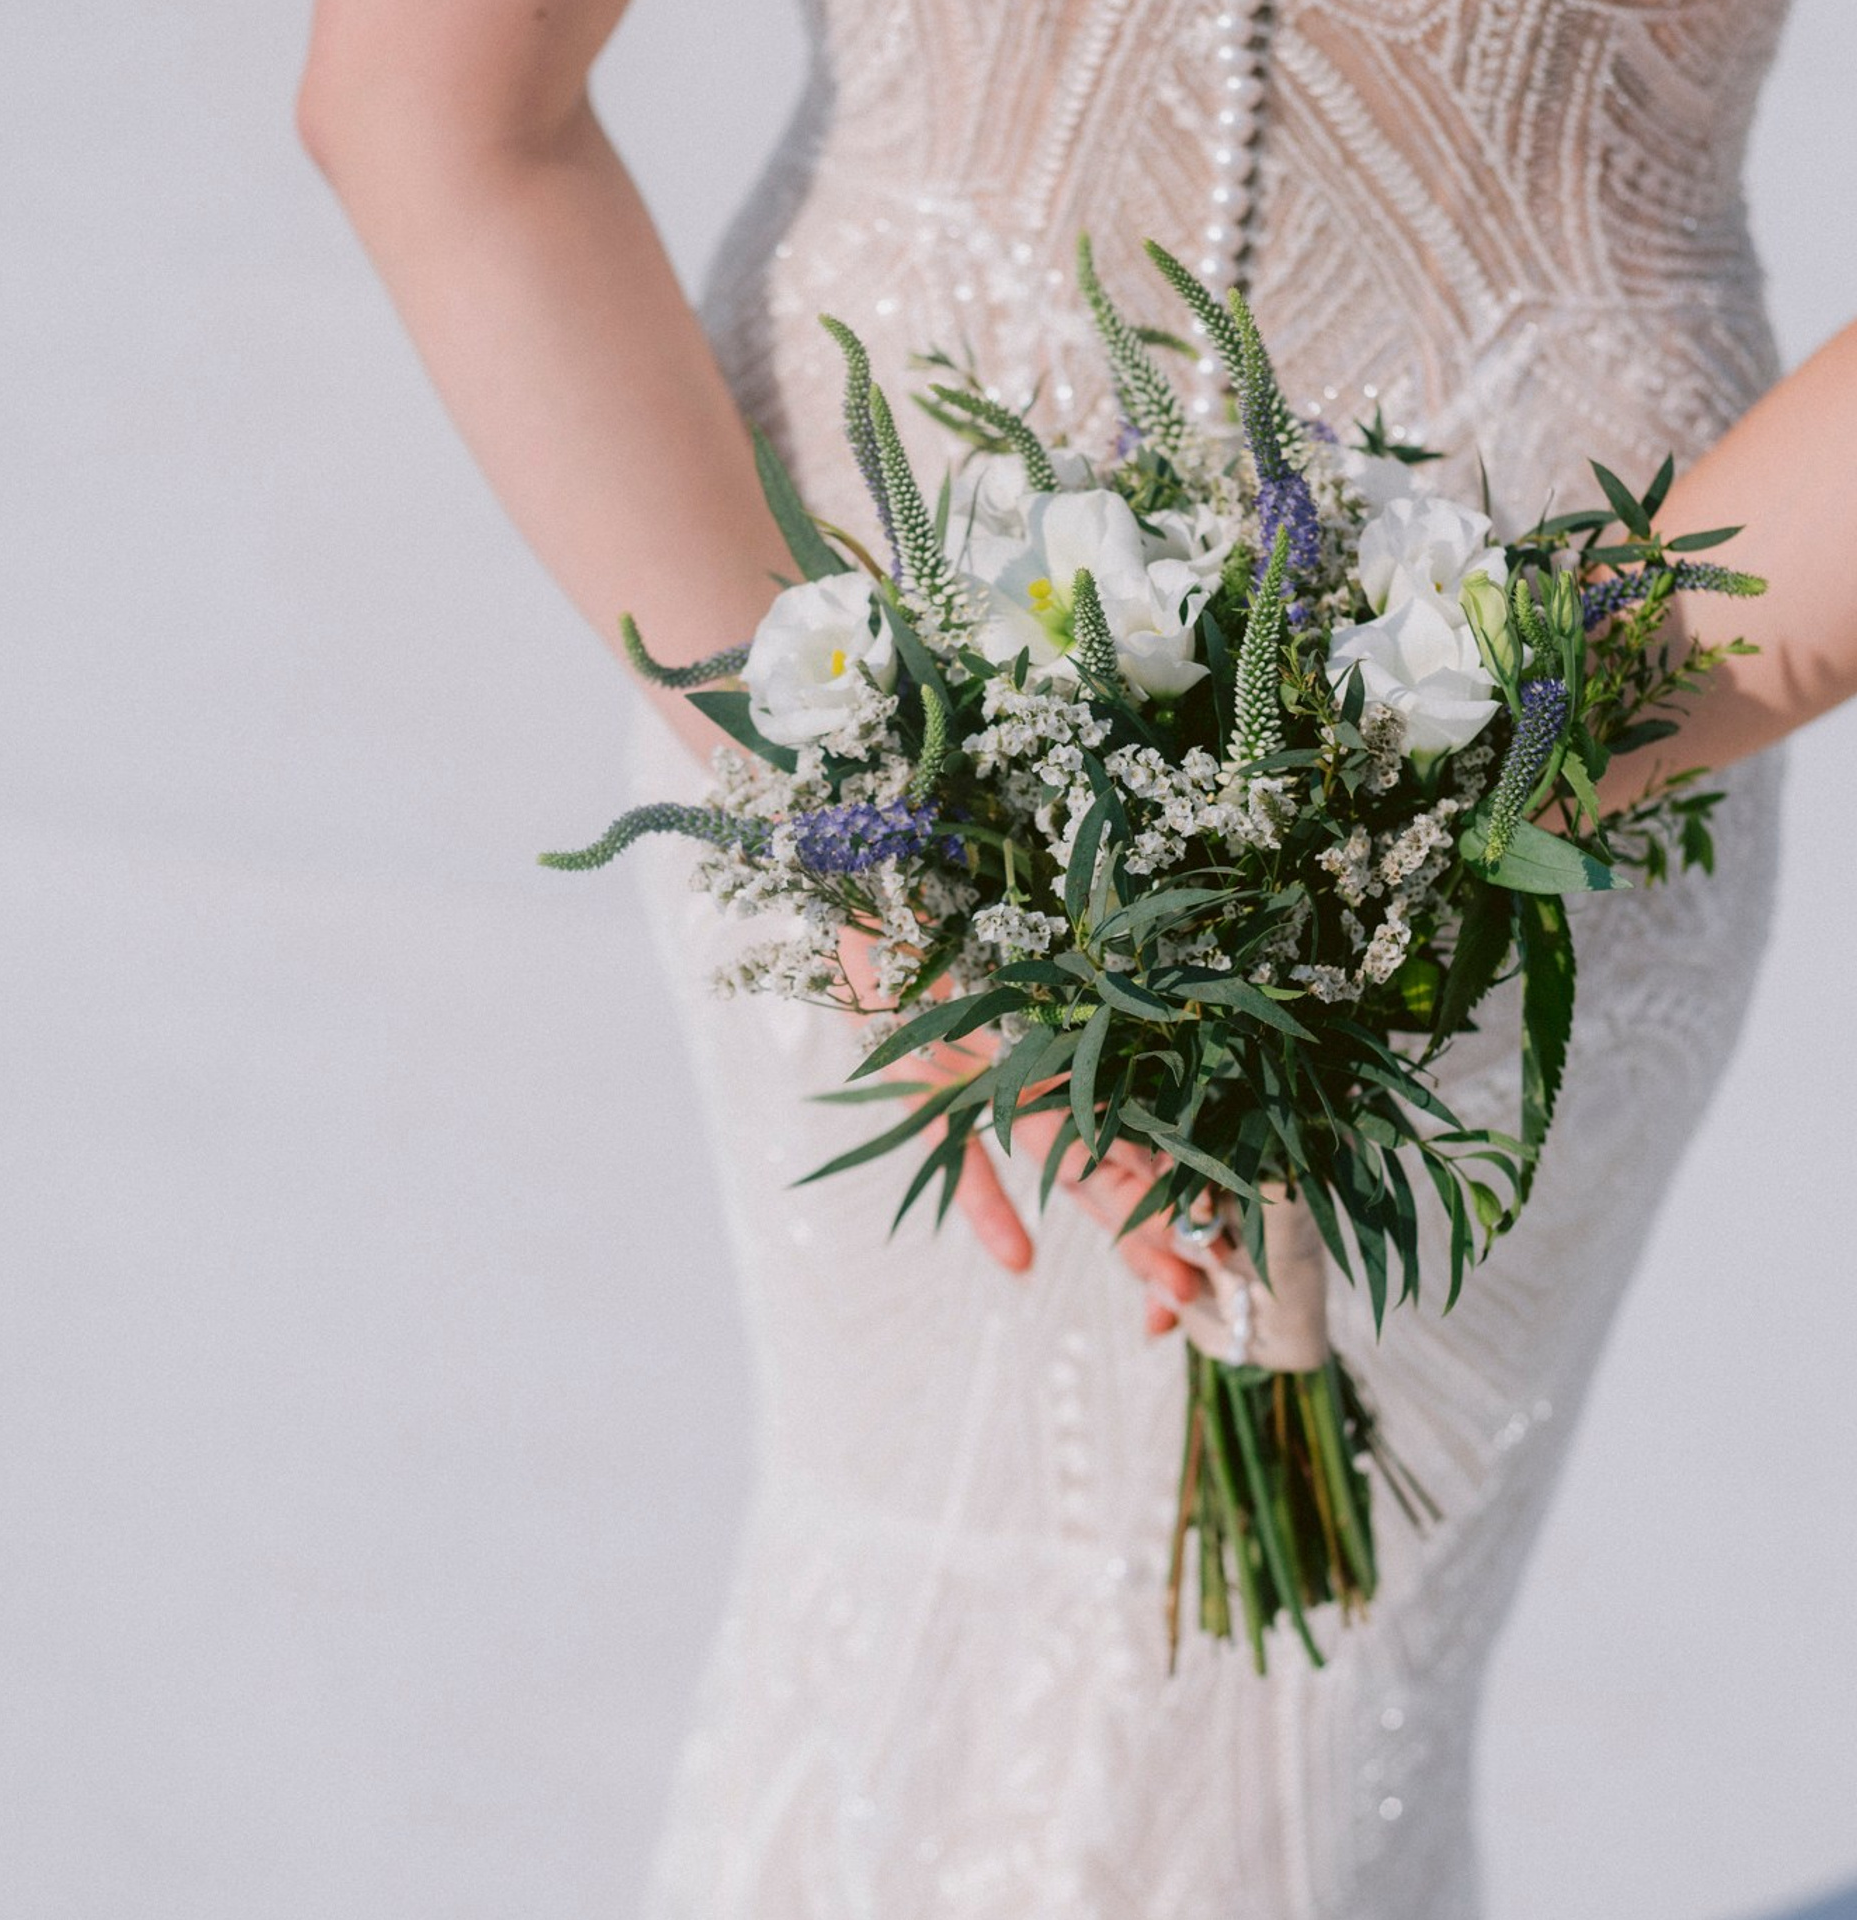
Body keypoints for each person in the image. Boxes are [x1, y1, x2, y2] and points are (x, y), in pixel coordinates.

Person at [296, 2, 1851, 1912]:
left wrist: (1404, 806)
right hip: (1203, 709)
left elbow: (426, 109)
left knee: (1260, 1745)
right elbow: (430, 117)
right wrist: (878, 824)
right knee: (946, 1627)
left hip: (1420, 742)